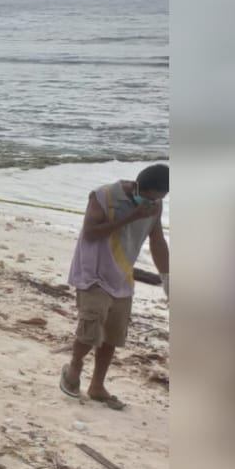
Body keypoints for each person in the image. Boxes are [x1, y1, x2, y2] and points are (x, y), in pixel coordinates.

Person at [60, 163, 170, 410]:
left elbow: (157, 241)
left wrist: (168, 277)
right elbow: (90, 233)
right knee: (91, 328)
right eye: (150, 196)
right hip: (93, 272)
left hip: (122, 275)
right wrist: (131, 216)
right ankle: (74, 368)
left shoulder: (155, 206)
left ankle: (97, 386)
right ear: (138, 186)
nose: (152, 202)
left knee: (112, 335)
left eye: (159, 199)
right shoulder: (104, 196)